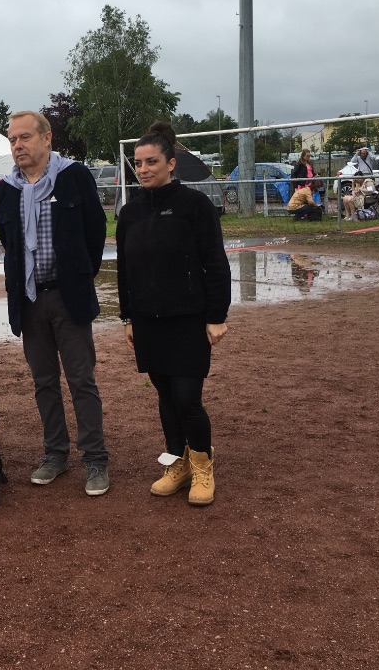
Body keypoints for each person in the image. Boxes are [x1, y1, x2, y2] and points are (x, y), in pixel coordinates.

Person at [0, 110, 110, 497]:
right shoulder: (3, 189)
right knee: (44, 383)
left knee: (81, 380)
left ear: (47, 138)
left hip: (67, 297)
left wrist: (77, 277)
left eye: (24, 137)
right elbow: (8, 244)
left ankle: (95, 459)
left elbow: (95, 234)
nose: (17, 146)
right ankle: (55, 454)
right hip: (28, 301)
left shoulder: (74, 177)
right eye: (12, 140)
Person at [116, 121, 231, 507]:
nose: (144, 169)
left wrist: (216, 316)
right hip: (148, 322)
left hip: (188, 320)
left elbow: (215, 263)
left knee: (187, 397)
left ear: (170, 163)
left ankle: (203, 465)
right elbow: (126, 272)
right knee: (165, 397)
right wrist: (128, 317)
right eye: (138, 163)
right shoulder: (129, 214)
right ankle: (177, 464)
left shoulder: (194, 207)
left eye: (151, 162)